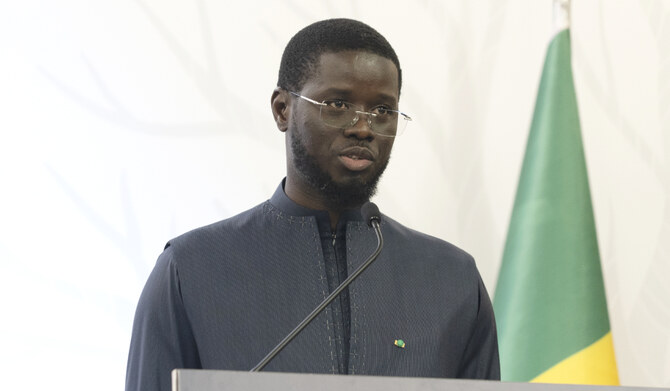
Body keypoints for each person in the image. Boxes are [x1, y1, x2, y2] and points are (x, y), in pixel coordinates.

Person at [126, 18, 500, 391]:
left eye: (383, 111)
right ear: (282, 110)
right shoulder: (191, 269)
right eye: (338, 103)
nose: (364, 128)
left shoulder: (452, 280)